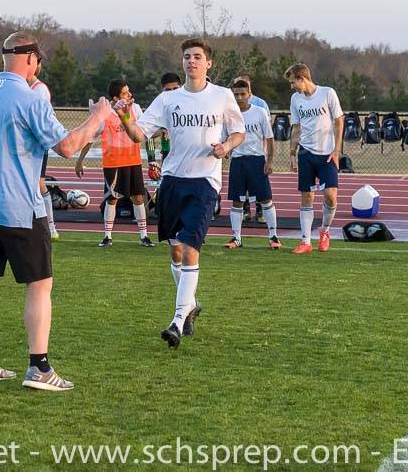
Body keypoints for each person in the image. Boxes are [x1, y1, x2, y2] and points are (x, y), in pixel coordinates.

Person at [0, 30, 110, 390]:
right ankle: (39, 368)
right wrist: (96, 119)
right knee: (40, 285)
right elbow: (68, 147)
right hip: (20, 207)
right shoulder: (29, 99)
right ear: (30, 59)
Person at [116, 39, 244, 349]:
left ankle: (177, 321)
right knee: (174, 250)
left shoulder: (222, 96)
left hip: (204, 183)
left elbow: (239, 131)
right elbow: (137, 135)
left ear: (208, 63)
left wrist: (225, 147)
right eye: (187, 57)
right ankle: (191, 304)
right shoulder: (168, 99)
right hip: (173, 181)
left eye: (198, 57)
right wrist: (124, 116)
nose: (192, 61)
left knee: (189, 249)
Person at [74, 79, 155, 248]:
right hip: (113, 163)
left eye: (128, 91)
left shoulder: (136, 109)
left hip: (133, 161)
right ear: (116, 98)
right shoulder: (105, 114)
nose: (130, 95)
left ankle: (144, 236)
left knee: (138, 197)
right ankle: (107, 236)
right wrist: (80, 161)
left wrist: (161, 132)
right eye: (125, 93)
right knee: (112, 199)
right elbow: (91, 138)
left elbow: (145, 131)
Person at [286, 63, 344, 254]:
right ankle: (305, 241)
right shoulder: (295, 99)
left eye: (293, 82)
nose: (292, 86)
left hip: (327, 154)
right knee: (307, 196)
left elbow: (338, 121)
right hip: (306, 153)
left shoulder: (327, 93)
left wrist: (336, 150)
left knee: (330, 194)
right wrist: (292, 153)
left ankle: (325, 231)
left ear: (302, 78)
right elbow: (296, 127)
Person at [224, 79, 282, 250]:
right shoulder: (228, 114)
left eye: (243, 94)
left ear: (250, 94)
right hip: (238, 161)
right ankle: (236, 238)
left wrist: (270, 161)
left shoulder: (260, 112)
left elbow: (269, 138)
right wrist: (225, 150)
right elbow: (224, 137)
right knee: (237, 201)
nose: (240, 97)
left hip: (257, 160)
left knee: (265, 199)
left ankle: (273, 237)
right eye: (236, 94)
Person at [26, 59, 59, 241]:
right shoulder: (25, 89)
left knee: (38, 184)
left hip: (38, 143)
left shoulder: (40, 89)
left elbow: (39, 118)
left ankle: (50, 226)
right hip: (27, 144)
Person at [232, 75, 269, 223]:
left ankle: (260, 211)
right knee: (241, 190)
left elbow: (266, 130)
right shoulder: (231, 107)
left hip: (257, 153)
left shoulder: (260, 104)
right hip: (239, 155)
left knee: (260, 188)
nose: (240, 96)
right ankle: (245, 210)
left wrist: (265, 152)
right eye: (236, 91)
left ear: (249, 88)